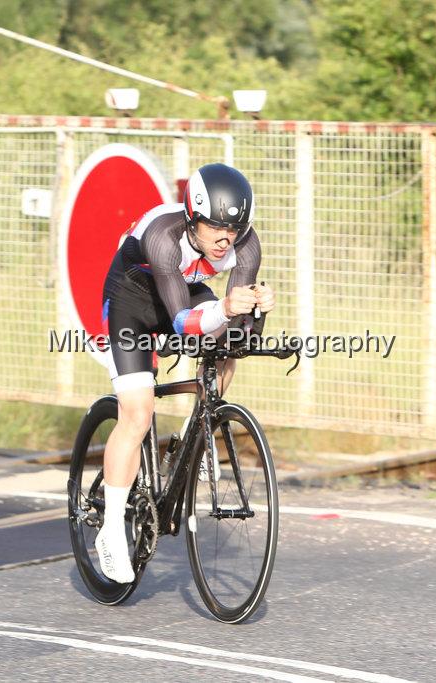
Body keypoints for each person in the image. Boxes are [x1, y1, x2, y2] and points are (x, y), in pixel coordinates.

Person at [95, 163, 275, 583]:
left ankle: (201, 427)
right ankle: (110, 530)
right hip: (132, 304)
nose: (225, 239)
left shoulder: (246, 245)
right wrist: (227, 308)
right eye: (214, 228)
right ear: (193, 218)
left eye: (233, 229)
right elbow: (178, 320)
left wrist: (253, 315)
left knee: (226, 347)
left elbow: (234, 325)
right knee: (137, 413)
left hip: (185, 291)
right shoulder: (162, 234)